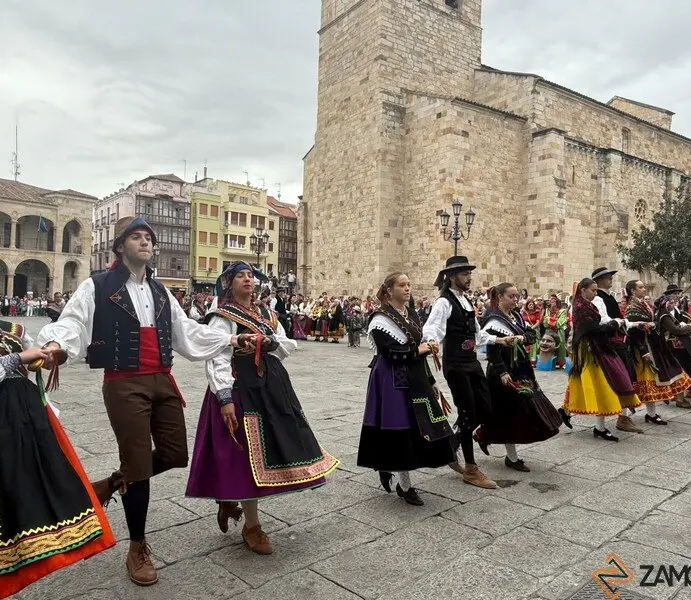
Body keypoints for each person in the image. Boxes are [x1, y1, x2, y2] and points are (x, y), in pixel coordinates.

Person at [36, 217, 254, 587]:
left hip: (162, 379)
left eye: (148, 238)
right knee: (138, 463)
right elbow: (74, 321)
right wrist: (57, 344)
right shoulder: (98, 285)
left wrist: (230, 341)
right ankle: (137, 546)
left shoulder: (161, 291)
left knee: (173, 454)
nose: (145, 242)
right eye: (136, 237)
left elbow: (188, 333)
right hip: (124, 383)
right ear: (120, 246)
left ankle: (111, 483)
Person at [186, 262, 338, 553]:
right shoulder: (222, 316)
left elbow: (284, 345)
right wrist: (225, 397)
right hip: (240, 387)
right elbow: (218, 356)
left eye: (250, 276)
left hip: (270, 385)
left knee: (266, 452)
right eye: (240, 276)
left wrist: (268, 342)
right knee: (245, 457)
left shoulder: (266, 312)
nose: (247, 280)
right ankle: (251, 526)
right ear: (228, 282)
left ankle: (228, 501)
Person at [0, 321, 115, 597]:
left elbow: (33, 361)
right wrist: (17, 358)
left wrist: (48, 354)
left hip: (26, 419)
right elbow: (20, 359)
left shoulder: (12, 329)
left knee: (29, 490)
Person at [357, 273, 454, 506]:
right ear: (389, 290)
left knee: (416, 426)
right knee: (398, 426)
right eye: (402, 285)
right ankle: (405, 484)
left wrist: (429, 378)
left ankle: (393, 470)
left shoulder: (410, 314)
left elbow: (418, 350)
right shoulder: (379, 319)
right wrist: (421, 349)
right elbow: (389, 352)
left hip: (414, 374)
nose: (407, 288)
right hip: (390, 378)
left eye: (409, 284)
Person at [422, 256, 514, 489]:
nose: (469, 277)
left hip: (472, 362)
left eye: (469, 273)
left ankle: (451, 445)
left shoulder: (466, 301)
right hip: (456, 365)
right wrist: (432, 341)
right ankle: (471, 470)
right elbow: (432, 326)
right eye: (465, 274)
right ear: (452, 277)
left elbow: (478, 334)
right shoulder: (444, 302)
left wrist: (500, 340)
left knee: (484, 409)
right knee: (467, 413)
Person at [475, 283, 561, 471]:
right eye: (511, 296)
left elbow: (531, 334)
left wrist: (521, 338)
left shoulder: (516, 316)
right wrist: (502, 371)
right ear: (499, 297)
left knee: (520, 409)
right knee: (510, 412)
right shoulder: (493, 319)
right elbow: (493, 350)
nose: (516, 299)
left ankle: (483, 434)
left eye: (517, 296)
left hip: (521, 368)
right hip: (504, 371)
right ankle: (511, 457)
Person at [562, 278, 640, 441]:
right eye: (593, 290)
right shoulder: (580, 307)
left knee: (591, 384)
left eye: (596, 290)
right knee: (599, 384)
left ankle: (568, 411)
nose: (596, 293)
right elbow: (592, 329)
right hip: (591, 350)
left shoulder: (587, 305)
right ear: (583, 290)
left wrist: (614, 324)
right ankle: (598, 426)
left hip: (597, 347)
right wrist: (613, 325)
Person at [624, 280, 691, 425]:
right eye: (640, 287)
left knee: (653, 381)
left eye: (643, 287)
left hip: (652, 345)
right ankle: (626, 416)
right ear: (632, 290)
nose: (643, 289)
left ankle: (651, 414)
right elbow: (634, 332)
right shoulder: (632, 308)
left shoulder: (643, 305)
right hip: (641, 349)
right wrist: (643, 352)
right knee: (641, 381)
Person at [591, 267, 639, 432]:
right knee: (610, 380)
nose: (610, 278)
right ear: (598, 280)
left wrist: (629, 323)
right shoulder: (598, 298)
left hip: (616, 341)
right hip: (607, 343)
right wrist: (622, 322)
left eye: (610, 276)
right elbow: (604, 320)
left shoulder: (608, 297)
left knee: (623, 378)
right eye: (607, 276)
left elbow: (617, 318)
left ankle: (623, 417)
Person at [655, 294, 691, 408]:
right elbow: (676, 330)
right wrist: (689, 327)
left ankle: (679, 396)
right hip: (671, 347)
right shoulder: (664, 316)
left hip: (677, 347)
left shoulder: (671, 315)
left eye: (674, 302)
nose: (674, 304)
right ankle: (679, 398)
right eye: (671, 302)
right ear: (665, 304)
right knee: (679, 371)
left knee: (681, 371)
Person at [542, 294, 568, 369]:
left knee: (559, 346)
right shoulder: (548, 311)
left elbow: (559, 324)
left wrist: (549, 320)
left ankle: (559, 362)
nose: (550, 303)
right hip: (549, 332)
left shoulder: (562, 311)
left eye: (552, 301)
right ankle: (548, 362)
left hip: (558, 333)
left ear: (557, 303)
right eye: (550, 302)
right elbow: (545, 324)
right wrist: (552, 320)